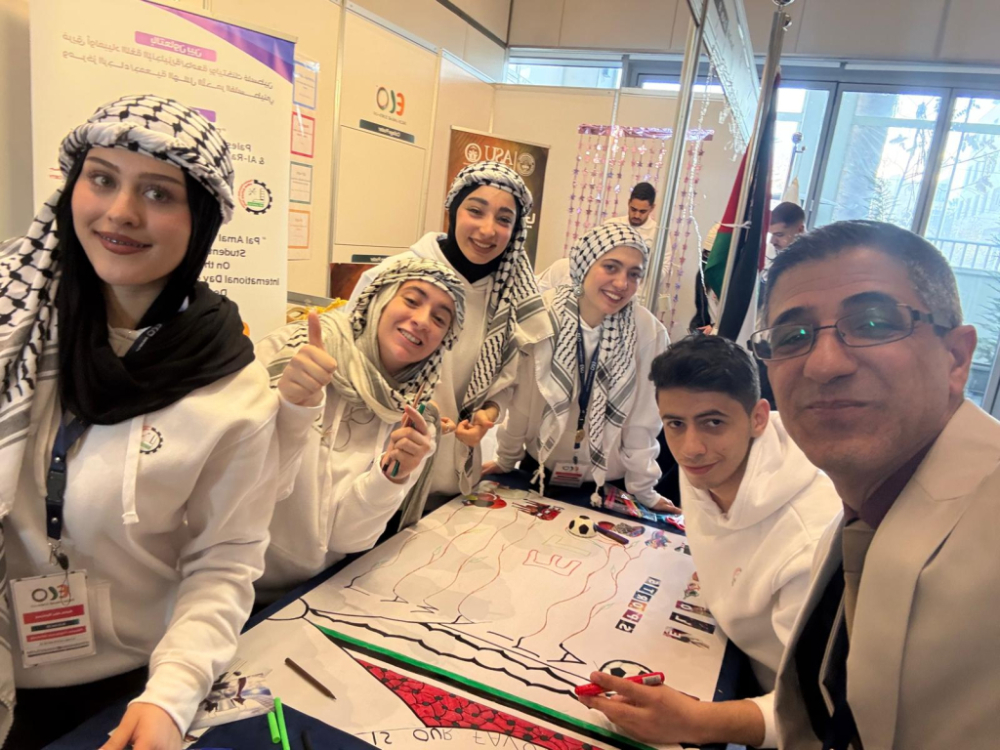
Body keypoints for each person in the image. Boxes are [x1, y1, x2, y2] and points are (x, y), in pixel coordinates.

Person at [0, 95, 280, 750]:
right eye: (101, 179)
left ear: (200, 219)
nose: (121, 211)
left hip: (134, 688)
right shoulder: (15, 330)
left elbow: (224, 561)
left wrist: (171, 696)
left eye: (158, 193)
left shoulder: (230, 388)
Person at [752, 220, 996, 749]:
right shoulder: (858, 518)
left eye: (872, 323)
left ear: (956, 358)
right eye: (792, 337)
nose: (824, 364)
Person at [580, 334, 839, 747]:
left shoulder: (809, 540)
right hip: (727, 658)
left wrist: (695, 722)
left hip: (782, 711)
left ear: (758, 418)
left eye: (713, 422)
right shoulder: (712, 464)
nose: (691, 449)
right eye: (675, 424)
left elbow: (824, 708)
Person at [254, 258, 466, 598]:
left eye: (440, 319)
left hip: (311, 594)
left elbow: (348, 540)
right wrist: (289, 406)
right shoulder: (297, 351)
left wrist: (392, 475)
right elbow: (233, 483)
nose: (422, 320)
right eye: (412, 300)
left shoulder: (414, 421)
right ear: (380, 298)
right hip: (224, 581)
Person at [348, 162, 551, 511]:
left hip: (451, 480)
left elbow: (507, 378)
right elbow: (352, 363)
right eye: (476, 211)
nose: (487, 230)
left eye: (504, 219)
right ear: (454, 210)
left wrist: (488, 413)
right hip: (375, 471)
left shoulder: (508, 296)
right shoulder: (396, 276)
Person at [485, 223, 675, 512]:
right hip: (540, 471)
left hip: (608, 484)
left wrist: (644, 490)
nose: (622, 283)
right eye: (611, 267)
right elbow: (522, 402)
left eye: (634, 274)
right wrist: (506, 459)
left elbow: (643, 422)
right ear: (585, 264)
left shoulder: (648, 332)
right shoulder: (543, 315)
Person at [537, 182, 659, 293]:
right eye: (633, 209)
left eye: (642, 211)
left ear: (652, 208)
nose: (636, 215)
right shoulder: (612, 225)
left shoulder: (657, 234)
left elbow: (660, 272)